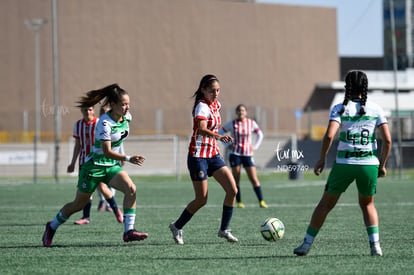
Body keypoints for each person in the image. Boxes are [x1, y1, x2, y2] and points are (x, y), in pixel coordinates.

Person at [293, 70, 392, 256]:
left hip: (344, 163)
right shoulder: (376, 109)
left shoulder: (340, 108)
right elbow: (387, 140)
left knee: (325, 205)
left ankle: (306, 244)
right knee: (367, 204)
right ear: (365, 86)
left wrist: (322, 158)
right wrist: (382, 165)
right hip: (368, 164)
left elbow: (329, 135)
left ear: (347, 87)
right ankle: (375, 246)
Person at [42, 84, 148, 247]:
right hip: (93, 167)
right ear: (113, 105)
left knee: (131, 189)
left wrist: (121, 156)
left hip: (110, 166)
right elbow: (106, 151)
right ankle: (52, 226)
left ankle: (128, 232)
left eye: (128, 103)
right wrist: (127, 158)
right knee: (79, 204)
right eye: (123, 104)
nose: (127, 107)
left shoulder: (127, 117)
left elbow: (117, 142)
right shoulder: (104, 123)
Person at [169, 74, 239, 245]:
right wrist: (219, 136)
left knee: (233, 190)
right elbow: (201, 129)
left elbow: (214, 126)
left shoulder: (216, 105)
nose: (215, 94)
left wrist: (223, 134)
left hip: (213, 155)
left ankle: (224, 230)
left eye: (218, 90)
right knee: (202, 200)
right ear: (203, 90)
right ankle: (177, 226)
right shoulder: (202, 106)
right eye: (211, 91)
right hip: (198, 156)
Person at [67, 106, 123, 225]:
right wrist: (72, 162)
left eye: (90, 109)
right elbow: (78, 145)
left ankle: (116, 210)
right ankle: (86, 217)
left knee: (102, 188)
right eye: (85, 109)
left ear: (93, 110)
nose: (88, 111)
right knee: (86, 190)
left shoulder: (100, 123)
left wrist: (119, 155)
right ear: (82, 111)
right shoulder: (78, 125)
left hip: (98, 162)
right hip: (84, 162)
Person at [219, 104, 268, 208]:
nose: (241, 112)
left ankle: (261, 201)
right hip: (235, 154)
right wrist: (228, 145)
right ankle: (239, 202)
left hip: (248, 155)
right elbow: (220, 132)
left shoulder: (251, 123)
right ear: (236, 113)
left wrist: (255, 147)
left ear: (246, 112)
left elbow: (260, 134)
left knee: (253, 178)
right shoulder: (232, 124)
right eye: (239, 111)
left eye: (243, 110)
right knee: (236, 179)